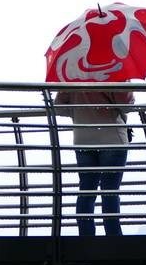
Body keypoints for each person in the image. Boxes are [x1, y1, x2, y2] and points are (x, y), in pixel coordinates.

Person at [54, 88, 134, 236]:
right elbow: (127, 105)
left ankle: (86, 237)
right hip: (112, 139)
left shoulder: (72, 74)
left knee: (86, 191)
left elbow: (59, 107)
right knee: (110, 191)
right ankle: (114, 238)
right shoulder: (113, 73)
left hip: (83, 140)